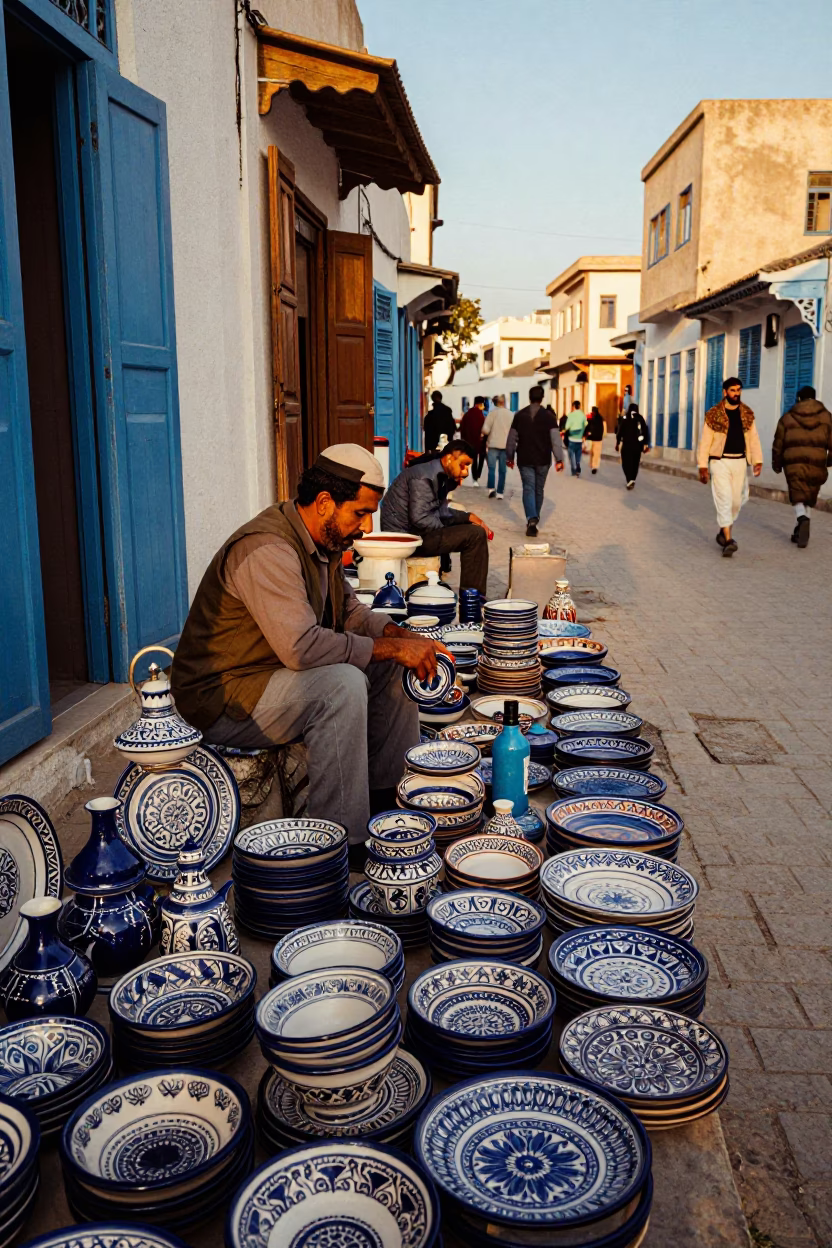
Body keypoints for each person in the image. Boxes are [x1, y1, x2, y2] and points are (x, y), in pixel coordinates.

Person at [171, 445, 452, 856]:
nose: (367, 525)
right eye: (360, 512)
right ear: (324, 503)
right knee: (341, 685)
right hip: (225, 697)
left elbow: (352, 614)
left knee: (393, 667)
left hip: (269, 676)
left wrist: (402, 637)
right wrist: (388, 648)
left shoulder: (322, 540)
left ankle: (388, 806)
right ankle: (339, 844)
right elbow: (302, 649)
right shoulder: (269, 548)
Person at [381, 438, 492, 594]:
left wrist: (467, 517)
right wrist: (449, 528)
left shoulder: (437, 474)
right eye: (462, 465)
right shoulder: (424, 477)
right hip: (406, 539)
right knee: (475, 535)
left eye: (468, 467)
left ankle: (472, 595)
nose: (465, 472)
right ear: (448, 459)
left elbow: (439, 511)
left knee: (470, 529)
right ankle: (472, 600)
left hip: (414, 533)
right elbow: (420, 518)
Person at [697, 376, 763, 557]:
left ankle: (722, 531)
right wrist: (703, 466)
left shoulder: (747, 414)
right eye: (733, 390)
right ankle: (728, 539)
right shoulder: (713, 415)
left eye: (739, 390)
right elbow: (705, 442)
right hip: (720, 462)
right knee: (724, 498)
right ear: (725, 392)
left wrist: (757, 461)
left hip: (740, 461)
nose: (736, 393)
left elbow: (753, 439)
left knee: (736, 501)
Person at [771, 385, 832, 548]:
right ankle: (801, 531)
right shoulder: (827, 417)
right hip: (817, 461)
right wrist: (830, 460)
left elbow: (778, 443)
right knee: (809, 495)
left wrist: (776, 464)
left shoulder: (787, 417)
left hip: (794, 462)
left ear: (799, 398)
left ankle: (801, 519)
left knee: (797, 494)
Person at [505, 384, 566, 538]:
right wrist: (559, 459)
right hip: (543, 460)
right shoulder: (549, 417)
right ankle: (534, 519)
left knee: (528, 488)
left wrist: (510, 456)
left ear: (530, 397)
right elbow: (555, 440)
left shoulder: (519, 416)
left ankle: (531, 519)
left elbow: (512, 438)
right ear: (542, 397)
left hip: (525, 459)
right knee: (538, 489)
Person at [482, 395, 513, 498]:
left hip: (493, 444)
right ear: (504, 402)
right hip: (505, 445)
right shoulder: (510, 414)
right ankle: (500, 492)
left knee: (491, 468)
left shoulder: (492, 414)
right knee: (502, 470)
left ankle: (491, 489)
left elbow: (485, 430)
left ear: (495, 403)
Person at [615, 402, 650, 488]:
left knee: (626, 463)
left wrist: (618, 443)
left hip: (626, 446)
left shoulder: (625, 418)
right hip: (637, 447)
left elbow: (619, 432)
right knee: (635, 463)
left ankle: (629, 479)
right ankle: (633, 479)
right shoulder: (640, 418)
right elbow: (645, 432)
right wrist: (646, 444)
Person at [460, 397, 486, 486]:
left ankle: (475, 478)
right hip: (480, 442)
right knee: (481, 458)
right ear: (479, 404)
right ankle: (477, 476)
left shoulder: (467, 414)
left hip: (470, 442)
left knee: (474, 459)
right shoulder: (481, 415)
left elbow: (462, 429)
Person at [564, 400, 588, 475]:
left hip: (571, 439)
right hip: (579, 439)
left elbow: (567, 427)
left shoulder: (571, 415)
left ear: (573, 406)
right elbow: (586, 424)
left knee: (571, 455)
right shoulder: (582, 415)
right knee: (578, 453)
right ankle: (578, 464)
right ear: (579, 406)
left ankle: (573, 469)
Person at [584, 405, 605, 474]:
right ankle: (594, 466)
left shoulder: (592, 418)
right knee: (595, 453)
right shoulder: (599, 418)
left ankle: (594, 466)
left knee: (593, 453)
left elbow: (588, 427)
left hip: (594, 438)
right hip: (597, 438)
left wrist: (585, 435)